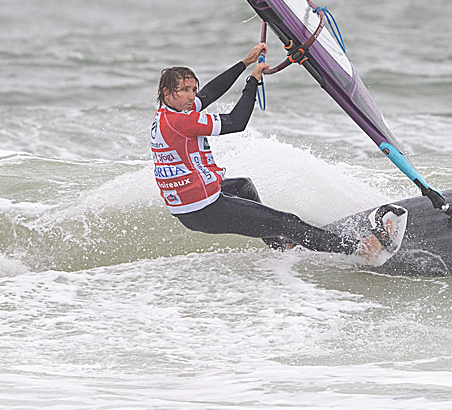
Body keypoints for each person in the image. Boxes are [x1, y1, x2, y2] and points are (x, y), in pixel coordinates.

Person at [150, 43, 395, 260]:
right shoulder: (183, 122)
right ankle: (360, 249)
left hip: (188, 206)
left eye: (193, 89)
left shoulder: (167, 116)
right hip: (204, 208)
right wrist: (252, 80)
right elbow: (237, 122)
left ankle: (280, 247)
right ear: (168, 93)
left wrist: (244, 63)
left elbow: (211, 92)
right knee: (288, 221)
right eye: (185, 90)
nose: (193, 96)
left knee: (243, 186)